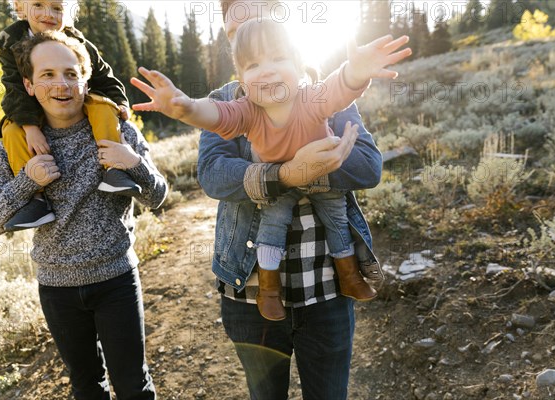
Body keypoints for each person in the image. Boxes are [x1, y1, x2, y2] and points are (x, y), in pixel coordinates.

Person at [131, 18, 410, 321]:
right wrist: (185, 108)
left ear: (299, 64)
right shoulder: (246, 111)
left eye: (278, 58)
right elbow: (215, 115)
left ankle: (350, 277)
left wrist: (355, 72)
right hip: (278, 184)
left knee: (337, 219)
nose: (267, 69)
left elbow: (338, 89)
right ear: (241, 80)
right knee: (271, 227)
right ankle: (269, 290)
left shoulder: (311, 97)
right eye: (252, 65)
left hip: (322, 180)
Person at [0, 31, 167, 399]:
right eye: (48, 74)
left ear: (86, 81)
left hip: (116, 280)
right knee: (87, 387)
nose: (61, 84)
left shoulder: (116, 130)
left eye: (71, 73)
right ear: (29, 84)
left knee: (134, 386)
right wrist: (25, 182)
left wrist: (134, 165)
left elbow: (158, 196)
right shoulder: (15, 146)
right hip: (57, 289)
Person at [0, 0, 140, 232]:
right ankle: (36, 200)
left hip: (78, 102)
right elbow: (14, 87)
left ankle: (114, 171)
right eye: (38, 5)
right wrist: (30, 127)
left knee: (103, 107)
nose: (48, 14)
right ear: (20, 7)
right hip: (33, 107)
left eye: (57, 8)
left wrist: (121, 104)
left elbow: (104, 76)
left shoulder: (77, 40)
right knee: (12, 130)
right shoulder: (10, 41)